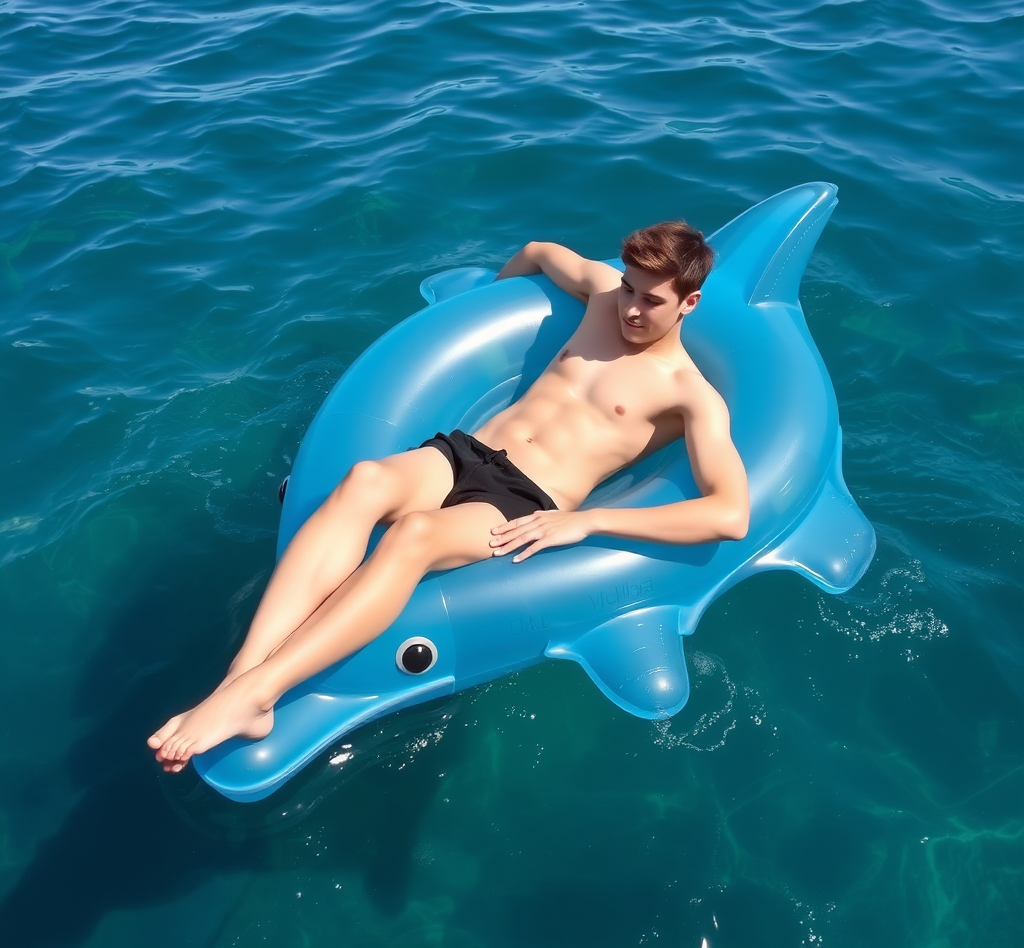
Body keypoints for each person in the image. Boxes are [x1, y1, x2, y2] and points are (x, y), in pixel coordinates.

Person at [149, 221, 750, 772]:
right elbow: (539, 252)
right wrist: (492, 294)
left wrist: (589, 523)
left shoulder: (690, 395)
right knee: (364, 481)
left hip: (527, 497)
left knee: (414, 537)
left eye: (652, 300)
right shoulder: (601, 300)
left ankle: (262, 693)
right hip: (467, 449)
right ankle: (240, 681)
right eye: (628, 289)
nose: (632, 309)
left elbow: (730, 513)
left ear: (688, 303)